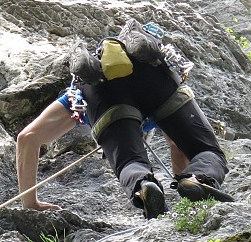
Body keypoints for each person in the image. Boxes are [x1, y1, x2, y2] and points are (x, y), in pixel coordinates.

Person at [16, 35, 232, 217]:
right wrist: (187, 182)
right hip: (154, 76)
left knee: (130, 162)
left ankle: (143, 186)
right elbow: (177, 144)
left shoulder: (80, 95)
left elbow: (27, 138)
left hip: (102, 91)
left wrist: (30, 203)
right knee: (206, 151)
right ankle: (198, 178)